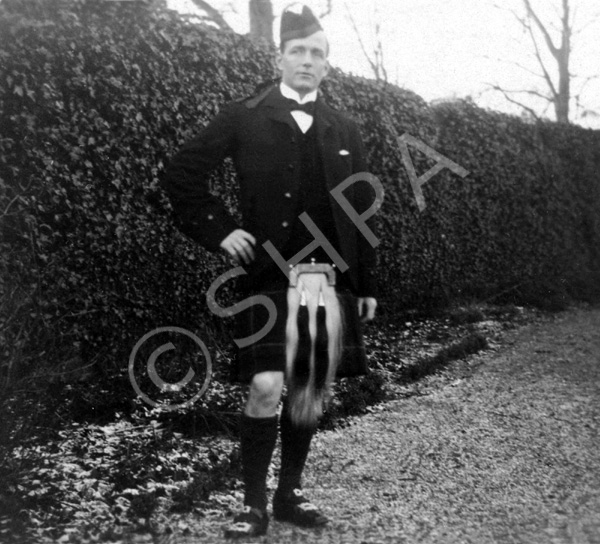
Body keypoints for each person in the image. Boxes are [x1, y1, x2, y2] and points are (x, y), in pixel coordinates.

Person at [163, 3, 378, 538]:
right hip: (268, 275)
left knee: (307, 389)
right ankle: (252, 503)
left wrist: (369, 282)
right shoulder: (244, 114)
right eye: (298, 52)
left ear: (327, 66)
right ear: (279, 57)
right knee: (264, 385)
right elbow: (181, 176)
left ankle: (288, 495)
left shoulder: (344, 126)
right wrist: (221, 231)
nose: (307, 61)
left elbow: (362, 210)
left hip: (327, 277)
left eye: (317, 54)